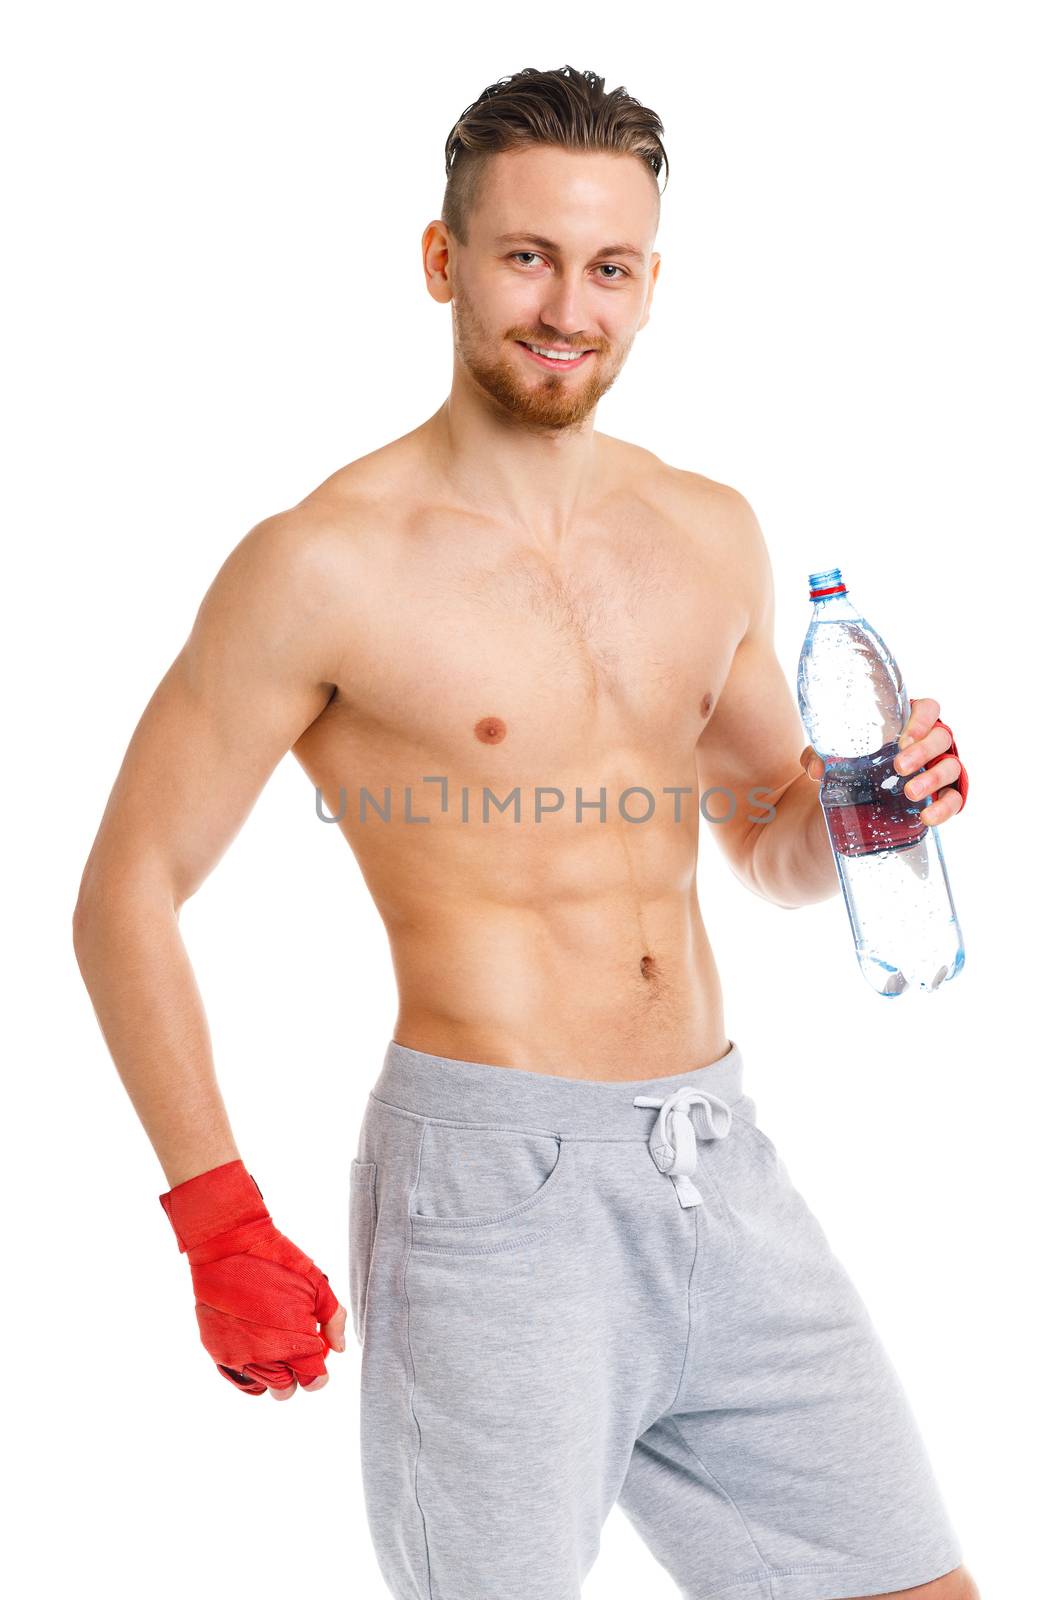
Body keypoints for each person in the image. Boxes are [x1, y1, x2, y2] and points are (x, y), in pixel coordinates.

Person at [72, 63, 977, 1600]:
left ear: (649, 285)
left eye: (609, 268)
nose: (570, 307)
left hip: (723, 1168)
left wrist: (865, 809)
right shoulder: (324, 563)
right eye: (528, 257)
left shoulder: (708, 530)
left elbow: (766, 835)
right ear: (445, 261)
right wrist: (215, 1215)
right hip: (495, 1205)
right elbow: (128, 893)